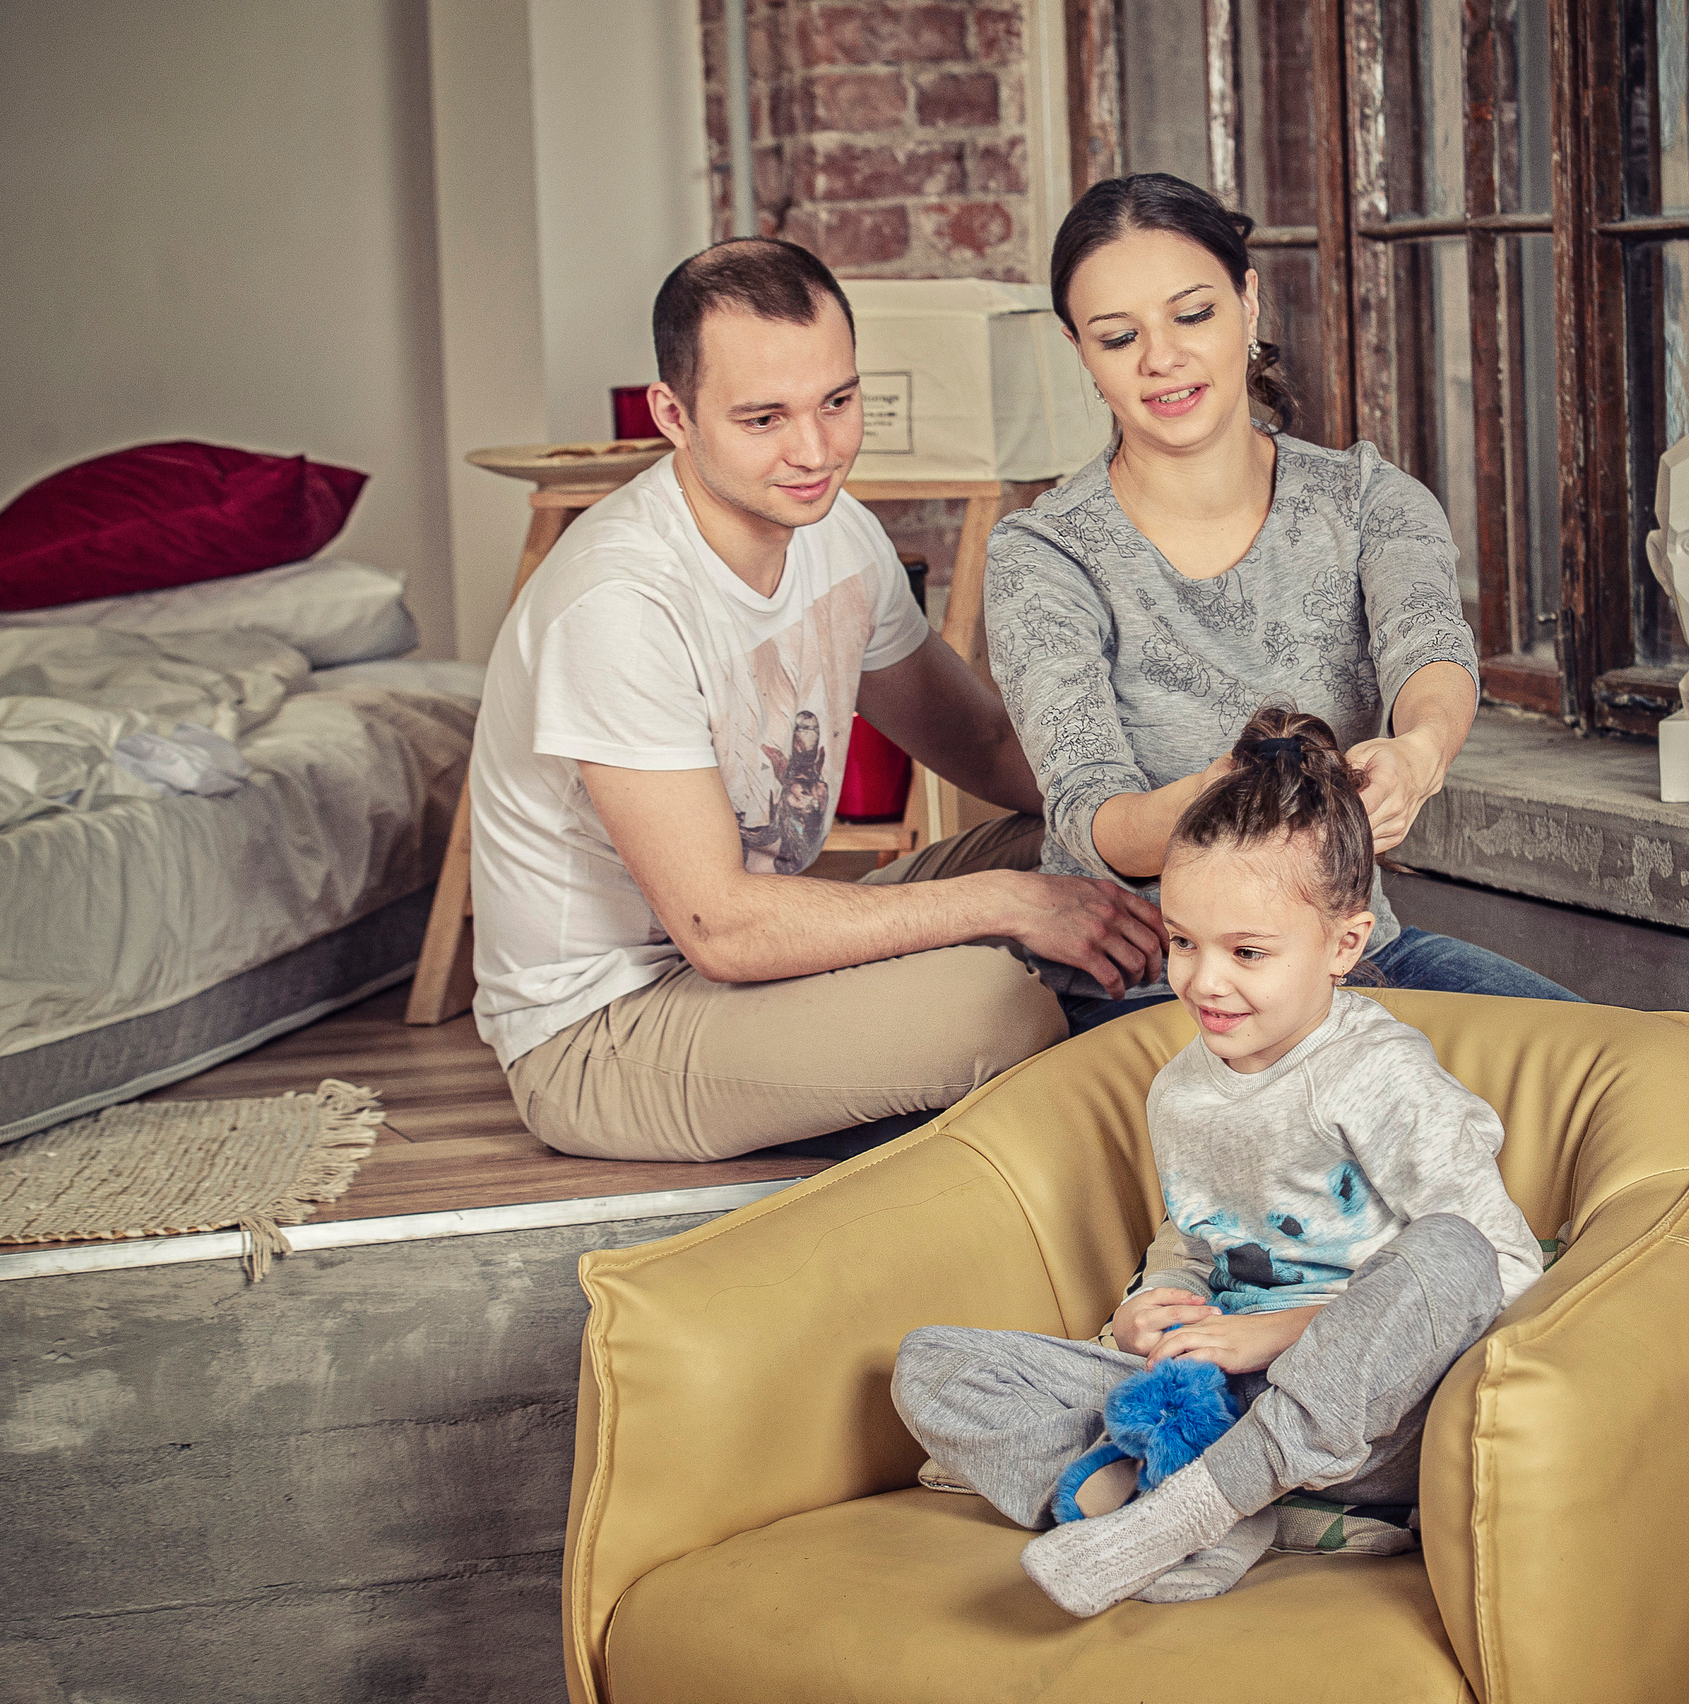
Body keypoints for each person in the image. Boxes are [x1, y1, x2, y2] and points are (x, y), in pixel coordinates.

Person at [465, 238, 1164, 1163]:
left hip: (766, 965)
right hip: (606, 1032)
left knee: (1093, 846)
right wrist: (1012, 905)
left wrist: (1181, 819)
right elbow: (721, 926)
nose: (815, 451)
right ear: (673, 415)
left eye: (837, 402)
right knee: (990, 1004)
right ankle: (1082, 1100)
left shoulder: (839, 532)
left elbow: (992, 744)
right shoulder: (617, 603)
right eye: (764, 418)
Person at [891, 709, 1542, 1616]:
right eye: (1183, 942)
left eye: (1247, 952)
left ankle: (1180, 1512)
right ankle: (1247, 1506)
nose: (1204, 981)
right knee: (932, 1368)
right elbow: (1195, 1234)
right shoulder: (1178, 1088)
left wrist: (1281, 1335)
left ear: (1344, 946)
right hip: (1213, 1395)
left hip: (1368, 1414)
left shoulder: (1378, 1074)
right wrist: (1149, 1308)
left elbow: (1501, 1266)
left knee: (1451, 1251)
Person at [983, 172, 1581, 1030]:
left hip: (1351, 961)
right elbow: (1095, 815)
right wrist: (1234, 796)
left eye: (1193, 316)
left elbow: (1429, 649)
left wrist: (1417, 753)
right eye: (1119, 337)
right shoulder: (1044, 554)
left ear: (1248, 302)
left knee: (1616, 1071)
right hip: (1158, 983)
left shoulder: (1369, 499)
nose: (1162, 359)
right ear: (1081, 348)